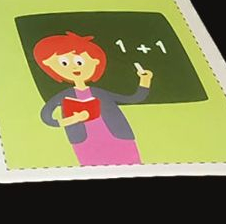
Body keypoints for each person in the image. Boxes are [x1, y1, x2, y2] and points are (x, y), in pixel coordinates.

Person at [34, 31, 152, 166]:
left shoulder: (100, 93)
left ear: (95, 62)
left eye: (80, 62)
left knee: (130, 166)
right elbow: (46, 117)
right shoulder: (63, 96)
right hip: (85, 143)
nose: (74, 67)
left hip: (118, 137)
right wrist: (72, 120)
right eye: (64, 63)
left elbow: (134, 98)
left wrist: (145, 80)